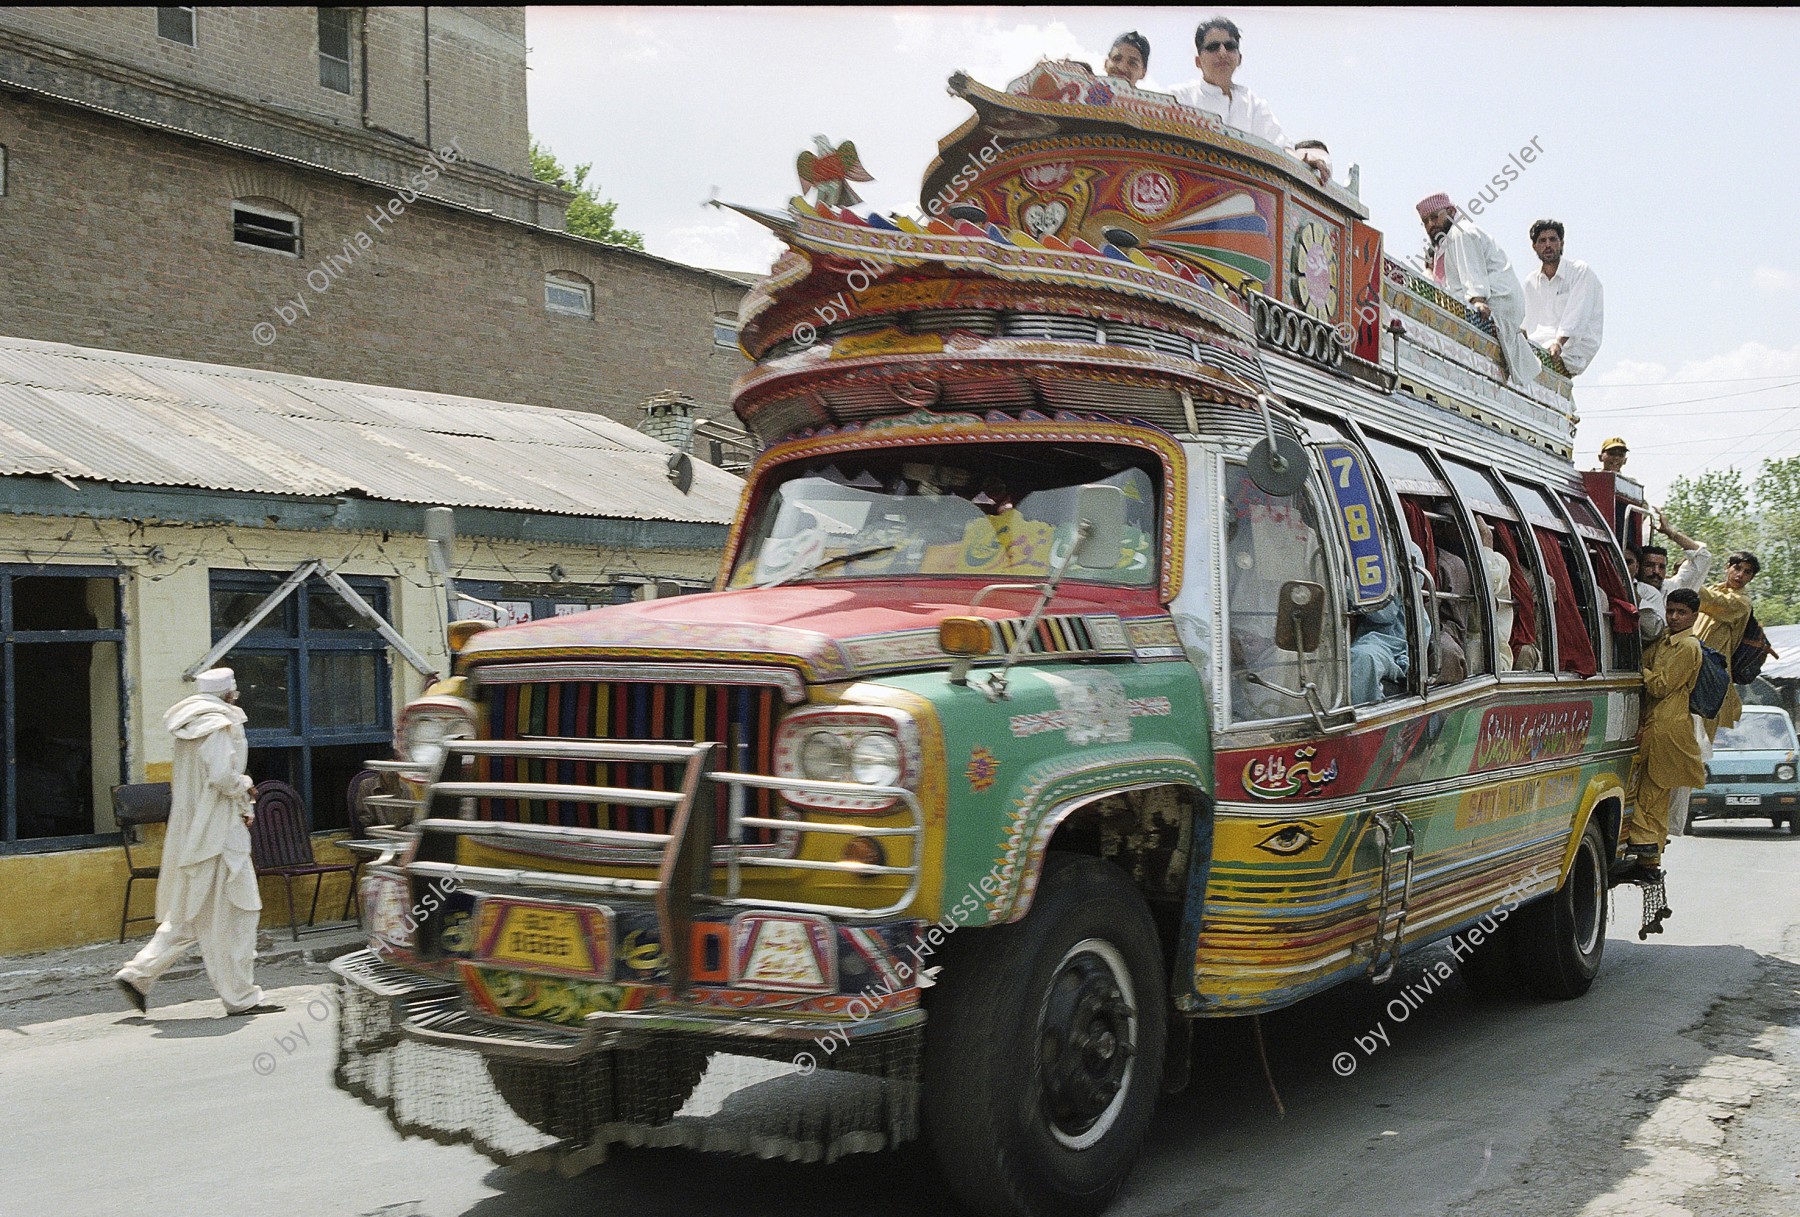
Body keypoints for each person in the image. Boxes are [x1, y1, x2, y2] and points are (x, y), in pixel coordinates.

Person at [115, 669, 281, 1018]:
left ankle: (138, 973)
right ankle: (241, 998)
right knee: (239, 913)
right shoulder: (219, 726)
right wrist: (246, 785)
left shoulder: (189, 728)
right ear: (229, 694)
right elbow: (222, 777)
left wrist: (239, 800)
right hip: (219, 836)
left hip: (197, 832)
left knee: (190, 915)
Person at [1622, 589, 1706, 879]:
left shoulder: (1687, 647)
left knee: (1651, 793)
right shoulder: (1666, 641)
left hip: (1668, 727)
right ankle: (1648, 857)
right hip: (1658, 722)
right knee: (1651, 793)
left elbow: (1660, 686)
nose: (1673, 617)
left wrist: (1639, 671)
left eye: (1681, 612)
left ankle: (1647, 853)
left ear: (1694, 615)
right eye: (1670, 611)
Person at [1416, 194, 1538, 385]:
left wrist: (1477, 300)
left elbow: (1472, 273)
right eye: (1425, 221)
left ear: (1450, 212)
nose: (1431, 224)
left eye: (1434, 217)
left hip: (1495, 301)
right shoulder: (1446, 242)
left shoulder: (1460, 232)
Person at [1172, 17, 1289, 147]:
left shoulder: (1253, 105)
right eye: (1213, 47)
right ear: (1198, 61)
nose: (1222, 53)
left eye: (1230, 46)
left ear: (1239, 59)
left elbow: (1282, 148)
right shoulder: (1177, 99)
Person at [1522, 219, 1604, 375]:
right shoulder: (1530, 282)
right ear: (1535, 246)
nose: (1548, 245)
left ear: (1561, 243)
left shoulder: (1579, 271)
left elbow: (1577, 314)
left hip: (1571, 351)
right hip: (1538, 348)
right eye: (1542, 241)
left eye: (1553, 239)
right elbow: (1526, 322)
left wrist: (1558, 344)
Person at [1694, 551, 1761, 737]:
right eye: (1737, 568)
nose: (1740, 575)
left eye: (1747, 572)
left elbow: (1712, 601)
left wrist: (1687, 579)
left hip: (1712, 672)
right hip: (1690, 663)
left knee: (1702, 738)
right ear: (1727, 568)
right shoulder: (1715, 588)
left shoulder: (1741, 602)